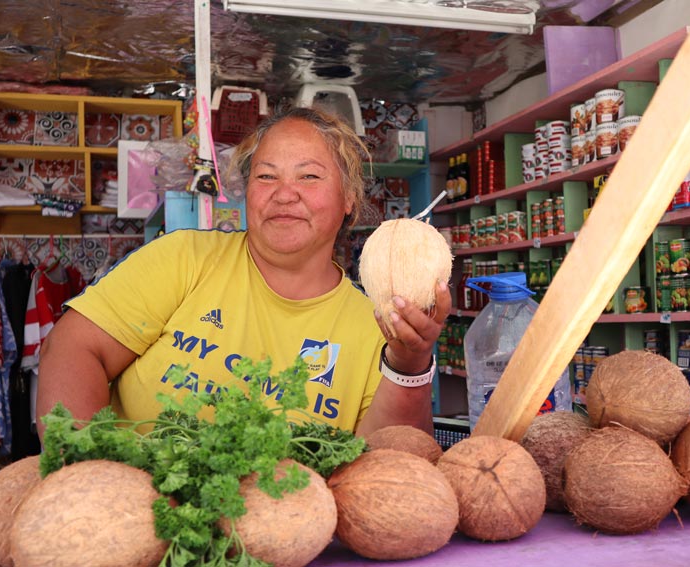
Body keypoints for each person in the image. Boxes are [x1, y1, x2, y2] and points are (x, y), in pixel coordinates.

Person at [35, 106, 451, 438]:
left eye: (308, 176)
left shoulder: (375, 324)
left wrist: (409, 363)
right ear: (247, 193)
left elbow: (391, 468)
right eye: (266, 176)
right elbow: (71, 350)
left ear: (348, 198)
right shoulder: (184, 259)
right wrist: (89, 473)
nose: (285, 194)